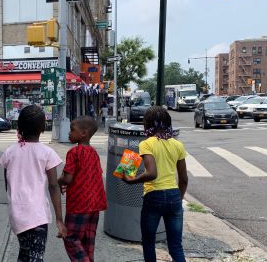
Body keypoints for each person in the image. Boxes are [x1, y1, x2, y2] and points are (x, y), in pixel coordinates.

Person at [0, 105, 67, 261]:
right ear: (43, 128)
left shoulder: (10, 152)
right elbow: (53, 186)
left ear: (19, 125)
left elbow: (7, 184)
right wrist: (59, 219)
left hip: (17, 214)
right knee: (35, 256)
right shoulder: (47, 153)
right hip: (37, 215)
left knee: (25, 252)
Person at [122, 106, 188, 262]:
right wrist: (178, 198)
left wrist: (132, 180)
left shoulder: (147, 144)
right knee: (176, 246)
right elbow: (184, 179)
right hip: (174, 195)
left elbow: (151, 173)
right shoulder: (177, 145)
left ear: (147, 124)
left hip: (154, 196)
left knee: (149, 242)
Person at [58, 116, 107, 262]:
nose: (69, 133)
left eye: (72, 130)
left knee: (71, 238)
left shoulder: (74, 152)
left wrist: (58, 182)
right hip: (94, 205)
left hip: (79, 205)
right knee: (88, 241)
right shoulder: (94, 153)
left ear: (84, 133)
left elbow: (67, 178)